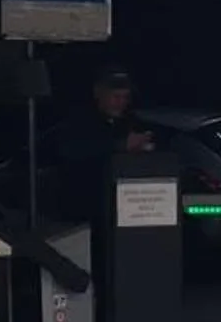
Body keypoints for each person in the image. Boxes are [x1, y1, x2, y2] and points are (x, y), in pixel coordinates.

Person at [42, 63, 156, 223]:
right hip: (81, 214)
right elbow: (71, 151)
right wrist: (120, 146)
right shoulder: (77, 121)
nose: (121, 102)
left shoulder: (130, 122)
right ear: (98, 92)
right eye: (115, 97)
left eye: (125, 97)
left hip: (121, 212)